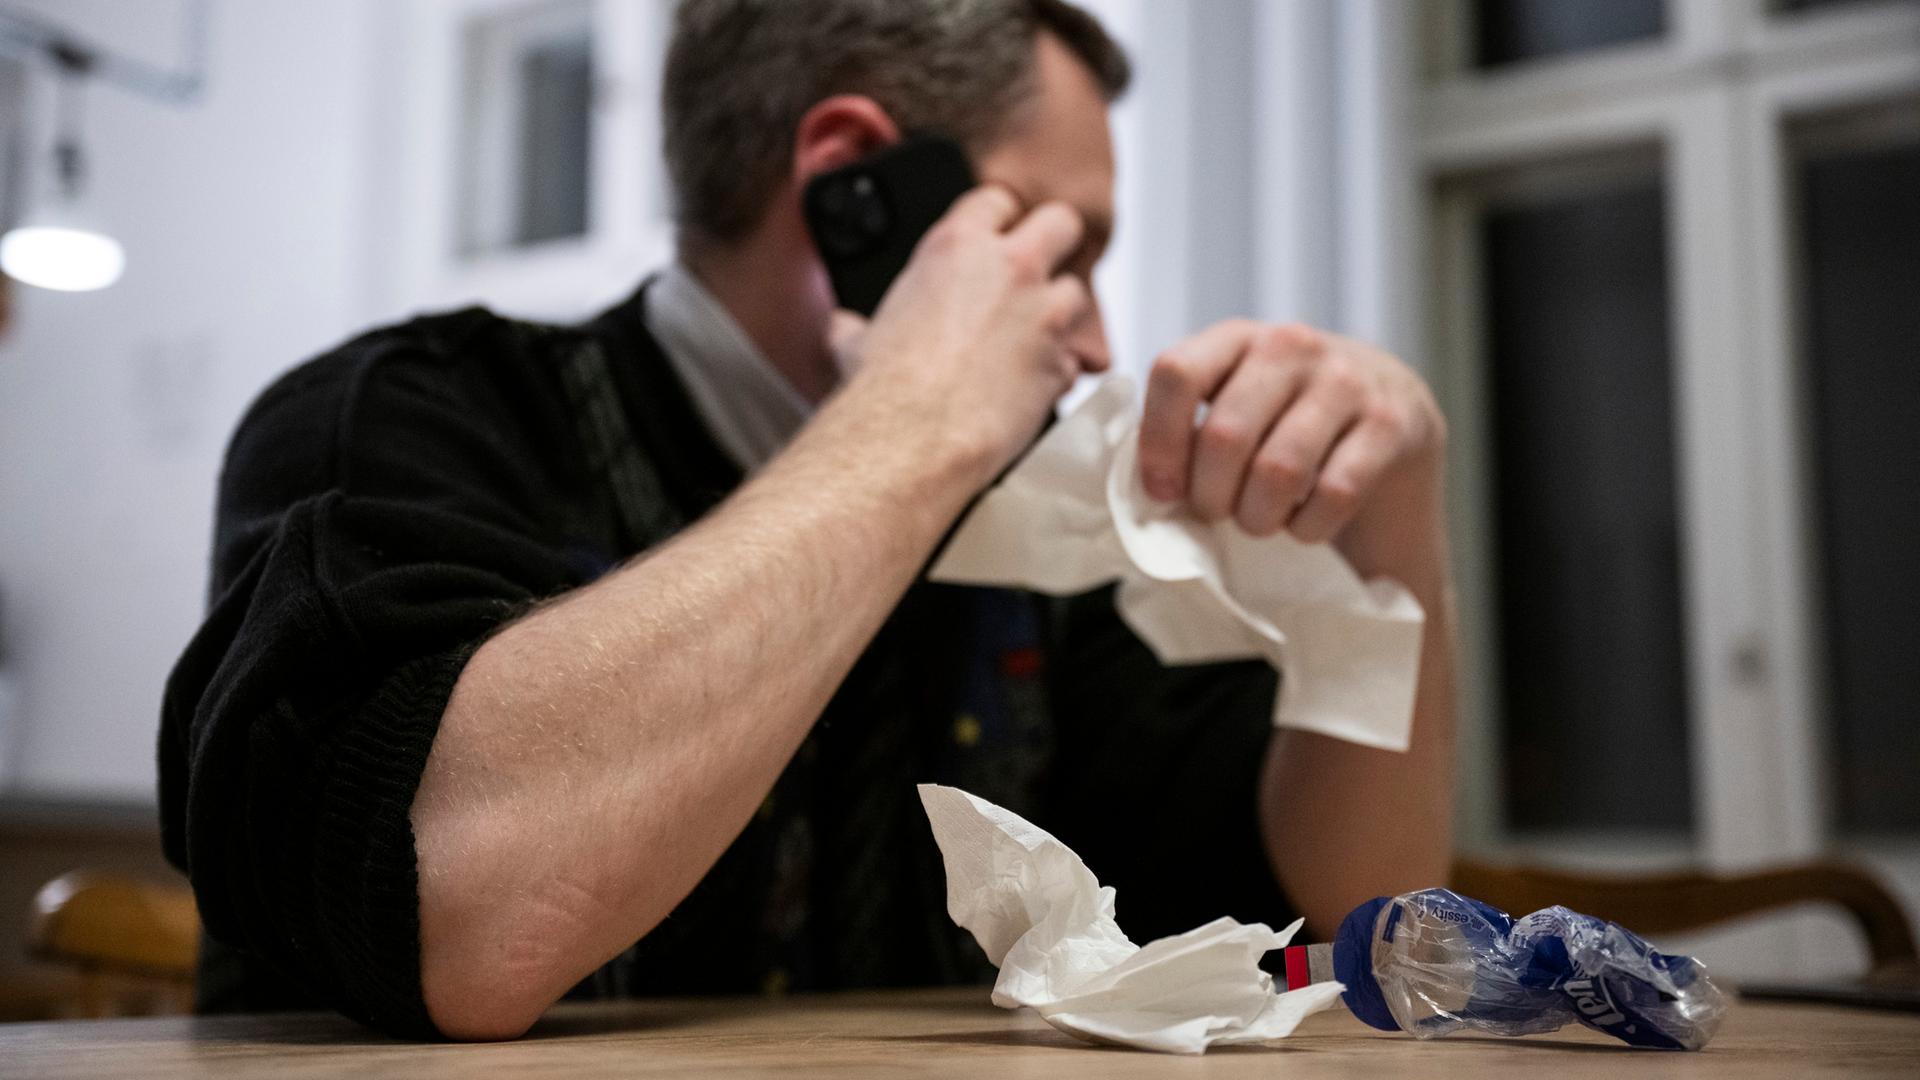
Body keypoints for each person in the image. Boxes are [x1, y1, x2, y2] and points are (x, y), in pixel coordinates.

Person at [160, 0, 1456, 1042]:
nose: (1098, 335)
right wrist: (916, 421)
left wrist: (1388, 531)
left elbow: (1344, 907)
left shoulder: (1033, 512)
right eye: (1064, 253)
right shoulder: (399, 425)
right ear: (854, 183)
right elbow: (460, 919)